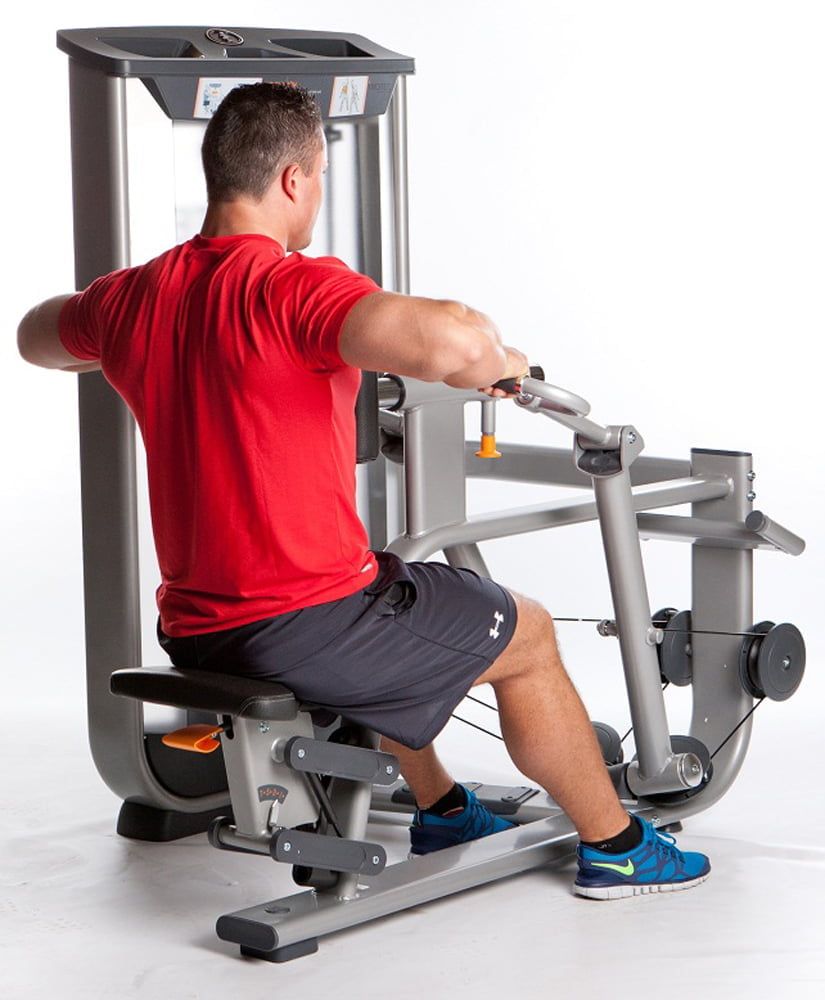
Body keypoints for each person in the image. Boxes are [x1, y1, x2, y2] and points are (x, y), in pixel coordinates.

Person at [18, 82, 710, 899]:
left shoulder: (134, 295)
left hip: (198, 626)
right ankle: (617, 848)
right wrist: (503, 364)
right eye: (318, 173)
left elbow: (36, 336)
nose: (316, 189)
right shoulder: (292, 287)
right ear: (292, 179)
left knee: (394, 589)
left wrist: (126, 334)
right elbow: (453, 343)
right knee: (524, 635)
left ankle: (442, 810)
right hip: (302, 624)